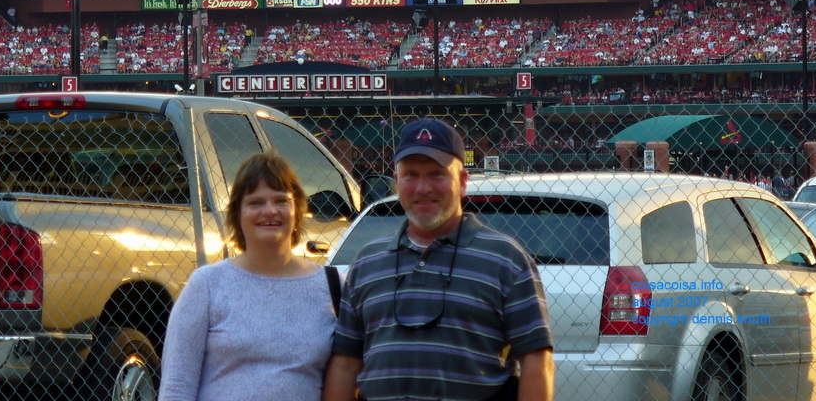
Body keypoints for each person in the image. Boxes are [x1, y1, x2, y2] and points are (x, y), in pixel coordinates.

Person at [323, 119, 554, 401]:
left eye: (436, 174)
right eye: (410, 175)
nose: (423, 188)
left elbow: (537, 362)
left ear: (463, 182)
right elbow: (346, 364)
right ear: (396, 183)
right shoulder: (367, 262)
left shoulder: (506, 259)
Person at [160, 152, 337, 401]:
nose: (270, 211)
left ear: (297, 210)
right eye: (255, 203)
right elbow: (177, 386)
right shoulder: (207, 285)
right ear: (238, 213)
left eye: (281, 201)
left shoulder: (333, 287)